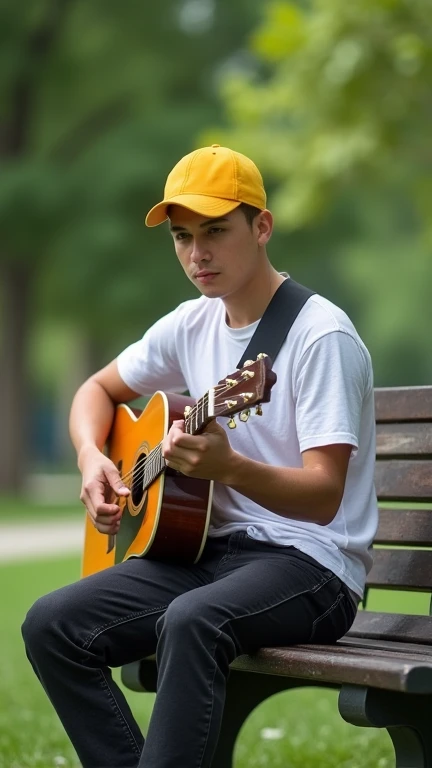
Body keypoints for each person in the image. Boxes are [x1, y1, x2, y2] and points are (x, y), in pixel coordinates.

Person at [22, 144, 378, 768]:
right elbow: (96, 391)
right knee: (52, 624)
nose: (197, 254)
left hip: (313, 564)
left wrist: (231, 468)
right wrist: (89, 458)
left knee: (193, 621)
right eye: (183, 237)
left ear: (261, 226)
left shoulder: (321, 336)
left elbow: (324, 497)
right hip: (207, 555)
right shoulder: (191, 324)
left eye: (215, 231)